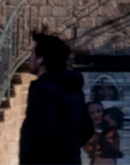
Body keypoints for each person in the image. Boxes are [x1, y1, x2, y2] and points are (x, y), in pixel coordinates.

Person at [19, 32, 94, 165]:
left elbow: (45, 133)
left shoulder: (44, 89)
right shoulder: (74, 88)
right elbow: (87, 129)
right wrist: (66, 149)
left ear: (40, 59)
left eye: (32, 54)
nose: (29, 58)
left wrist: (26, 157)